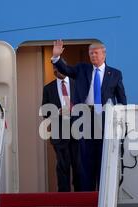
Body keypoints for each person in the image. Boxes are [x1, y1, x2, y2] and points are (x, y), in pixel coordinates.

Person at [51, 40, 127, 191]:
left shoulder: (115, 74)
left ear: (104, 54)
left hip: (105, 119)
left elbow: (122, 99)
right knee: (85, 158)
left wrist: (121, 120)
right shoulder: (82, 69)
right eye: (91, 53)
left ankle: (104, 191)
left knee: (104, 156)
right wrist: (56, 57)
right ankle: (88, 193)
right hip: (85, 117)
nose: (93, 55)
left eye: (96, 53)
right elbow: (65, 69)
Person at [41, 65, 80, 192]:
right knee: (63, 165)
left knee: (78, 164)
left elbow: (86, 105)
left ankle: (79, 193)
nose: (62, 72)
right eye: (59, 70)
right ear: (54, 72)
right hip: (59, 133)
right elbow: (44, 111)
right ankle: (64, 194)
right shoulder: (48, 88)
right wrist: (57, 111)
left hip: (78, 131)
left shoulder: (77, 84)